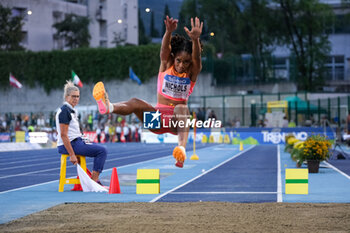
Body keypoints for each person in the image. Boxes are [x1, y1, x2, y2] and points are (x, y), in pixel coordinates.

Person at [92, 16, 203, 167]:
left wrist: (195, 40)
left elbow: (196, 59)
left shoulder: (192, 72)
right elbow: (164, 50)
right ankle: (109, 107)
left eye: (186, 62)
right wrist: (168, 32)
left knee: (182, 108)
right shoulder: (167, 64)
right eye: (178, 60)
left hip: (176, 122)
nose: (181, 65)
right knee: (135, 102)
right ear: (174, 58)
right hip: (157, 120)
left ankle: (181, 151)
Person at [56, 81, 107, 184]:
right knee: (102, 151)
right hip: (70, 144)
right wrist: (72, 155)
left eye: (77, 96)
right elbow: (63, 135)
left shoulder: (71, 110)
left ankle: (90, 180)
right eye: (73, 96)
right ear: (66, 97)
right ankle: (93, 182)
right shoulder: (65, 112)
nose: (76, 99)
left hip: (76, 142)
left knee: (97, 147)